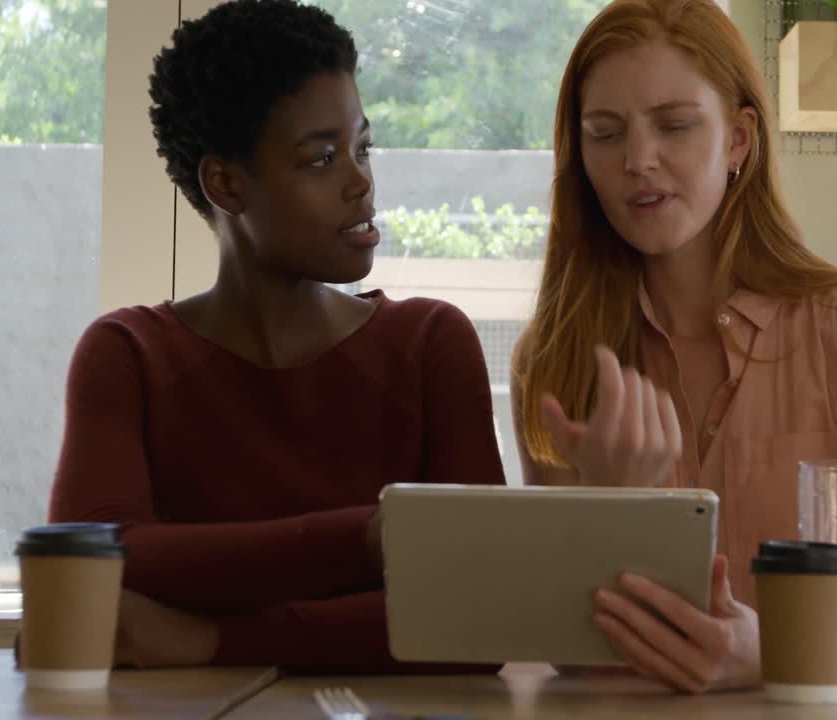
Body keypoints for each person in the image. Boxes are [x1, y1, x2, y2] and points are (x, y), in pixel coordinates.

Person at [510, 0, 837, 693]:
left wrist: (780, 649)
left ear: (739, 140)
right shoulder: (555, 358)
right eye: (605, 134)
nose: (638, 160)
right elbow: (572, 656)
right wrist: (610, 502)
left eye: (675, 125)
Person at [49, 0, 504, 672]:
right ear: (226, 183)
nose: (361, 182)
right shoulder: (129, 355)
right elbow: (92, 570)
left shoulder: (431, 344)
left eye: (362, 148)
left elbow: (482, 615)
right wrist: (372, 540)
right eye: (322, 159)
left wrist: (208, 641)